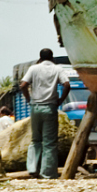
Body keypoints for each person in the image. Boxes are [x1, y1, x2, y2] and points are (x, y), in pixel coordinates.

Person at [21, 49, 68, 178]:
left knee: (35, 139)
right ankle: (47, 173)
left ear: (40, 57)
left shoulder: (33, 68)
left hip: (35, 107)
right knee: (49, 142)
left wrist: (28, 99)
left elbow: (23, 85)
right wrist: (60, 100)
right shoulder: (57, 69)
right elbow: (67, 84)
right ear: (52, 58)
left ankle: (32, 168)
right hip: (50, 107)